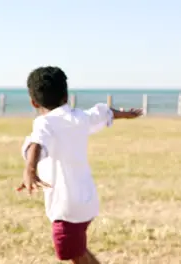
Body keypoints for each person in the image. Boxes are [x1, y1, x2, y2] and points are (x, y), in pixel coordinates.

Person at [17, 66, 143, 264]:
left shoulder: (44, 123)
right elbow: (103, 112)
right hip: (86, 201)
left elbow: (37, 143)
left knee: (71, 253)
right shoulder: (79, 117)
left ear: (33, 102)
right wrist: (125, 114)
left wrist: (29, 170)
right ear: (66, 96)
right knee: (78, 250)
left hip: (66, 207)